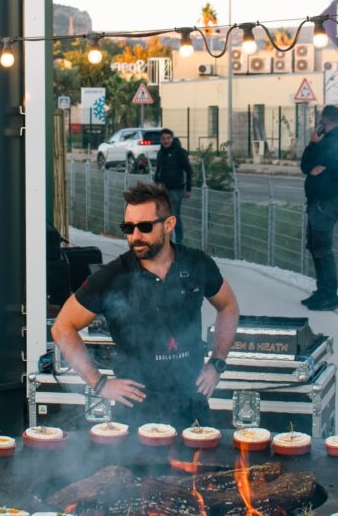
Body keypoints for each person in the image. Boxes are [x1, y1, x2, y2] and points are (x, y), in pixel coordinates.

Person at [52, 181, 239, 428]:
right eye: (128, 227)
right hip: (135, 413)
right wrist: (98, 382)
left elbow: (228, 306)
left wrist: (217, 362)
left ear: (169, 225)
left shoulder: (197, 264)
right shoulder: (112, 276)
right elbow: (62, 327)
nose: (135, 236)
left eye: (144, 226)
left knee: (201, 466)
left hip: (191, 404)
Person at [300, 105, 338, 311]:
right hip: (319, 202)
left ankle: (330, 295)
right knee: (316, 248)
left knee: (323, 250)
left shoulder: (334, 143)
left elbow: (308, 167)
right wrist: (314, 159)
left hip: (325, 203)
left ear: (325, 121)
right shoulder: (332, 142)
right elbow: (310, 169)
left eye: (321, 121)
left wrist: (313, 145)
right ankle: (322, 290)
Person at [154, 128, 193, 245]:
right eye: (163, 139)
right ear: (160, 140)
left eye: (168, 138)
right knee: (162, 215)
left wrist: (188, 189)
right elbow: (158, 171)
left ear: (172, 139)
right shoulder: (160, 153)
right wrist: (156, 186)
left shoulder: (179, 152)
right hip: (163, 189)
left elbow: (189, 170)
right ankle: (164, 241)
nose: (166, 141)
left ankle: (179, 242)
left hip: (177, 189)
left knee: (174, 214)